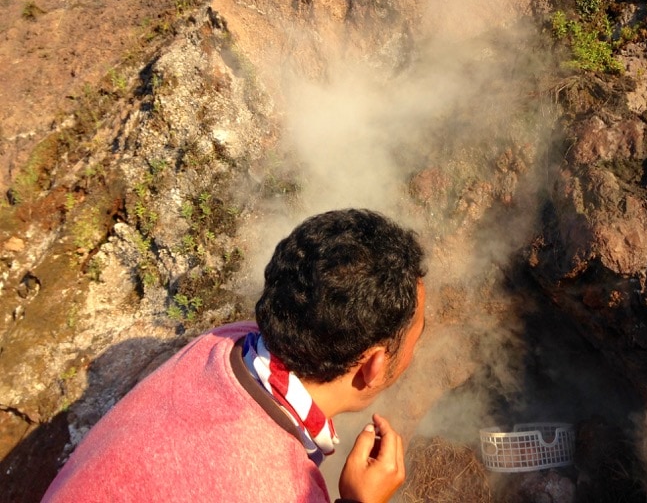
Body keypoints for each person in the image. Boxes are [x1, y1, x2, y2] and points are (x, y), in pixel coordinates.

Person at [42, 208, 427, 503]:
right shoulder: (279, 490)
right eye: (418, 332)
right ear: (375, 365)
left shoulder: (227, 342)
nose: (420, 341)